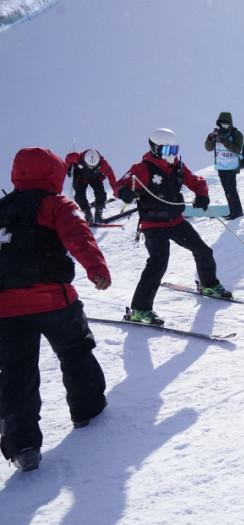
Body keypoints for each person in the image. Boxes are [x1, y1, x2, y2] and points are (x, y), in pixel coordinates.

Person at [0, 147, 111, 472]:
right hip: (53, 299)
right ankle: (87, 410)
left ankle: (23, 447)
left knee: (16, 373)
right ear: (55, 173)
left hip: (6, 310)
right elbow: (79, 235)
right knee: (75, 351)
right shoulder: (55, 203)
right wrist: (96, 268)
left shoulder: (2, 208)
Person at [114, 128, 232, 325]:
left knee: (203, 251)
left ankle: (209, 285)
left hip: (175, 222)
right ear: (155, 149)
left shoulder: (178, 166)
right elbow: (119, 185)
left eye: (175, 149)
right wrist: (125, 192)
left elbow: (197, 181)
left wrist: (201, 195)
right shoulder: (142, 168)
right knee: (158, 263)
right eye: (168, 150)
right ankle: (139, 310)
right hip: (153, 224)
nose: (173, 154)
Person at [204, 111, 244, 220]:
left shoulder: (237, 134)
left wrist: (224, 141)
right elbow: (208, 148)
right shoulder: (215, 133)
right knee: (227, 190)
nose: (224, 125)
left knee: (231, 189)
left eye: (226, 123)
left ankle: (238, 212)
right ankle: (232, 211)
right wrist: (209, 139)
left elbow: (237, 149)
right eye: (222, 123)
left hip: (231, 166)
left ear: (230, 123)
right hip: (221, 166)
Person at [64, 148, 117, 224]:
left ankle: (98, 214)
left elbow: (111, 175)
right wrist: (68, 169)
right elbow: (68, 158)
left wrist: (115, 189)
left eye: (93, 166)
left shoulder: (103, 163)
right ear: (85, 161)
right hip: (81, 178)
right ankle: (87, 214)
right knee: (79, 197)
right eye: (89, 166)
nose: (91, 168)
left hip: (96, 178)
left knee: (101, 195)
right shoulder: (77, 157)